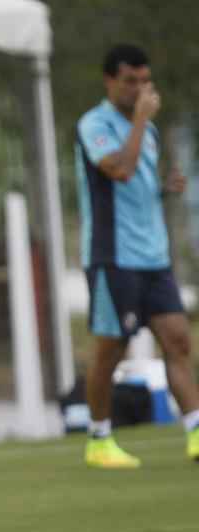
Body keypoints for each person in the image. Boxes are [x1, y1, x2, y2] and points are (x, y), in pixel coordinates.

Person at [75, 43, 198, 469]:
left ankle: (196, 431)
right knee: (112, 348)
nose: (139, 89)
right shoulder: (95, 124)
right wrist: (142, 120)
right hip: (114, 256)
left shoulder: (150, 130)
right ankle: (99, 439)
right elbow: (118, 170)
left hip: (154, 255)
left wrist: (166, 187)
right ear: (111, 81)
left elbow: (137, 182)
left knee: (179, 340)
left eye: (145, 81)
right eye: (131, 81)